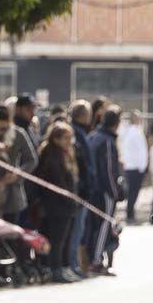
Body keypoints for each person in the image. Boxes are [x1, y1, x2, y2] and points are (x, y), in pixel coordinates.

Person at [33, 121, 81, 283]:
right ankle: (56, 269)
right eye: (66, 138)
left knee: (65, 238)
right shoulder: (52, 155)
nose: (69, 142)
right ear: (56, 138)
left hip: (66, 205)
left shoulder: (64, 153)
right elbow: (57, 182)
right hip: (57, 205)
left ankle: (64, 266)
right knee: (57, 239)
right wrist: (68, 197)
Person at [86, 107, 122, 276]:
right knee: (103, 225)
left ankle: (92, 258)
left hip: (92, 189)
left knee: (94, 225)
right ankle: (96, 261)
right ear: (116, 124)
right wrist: (115, 192)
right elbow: (108, 170)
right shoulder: (107, 141)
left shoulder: (93, 136)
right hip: (104, 191)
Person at [0, 104, 35, 222]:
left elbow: (31, 160)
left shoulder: (18, 134)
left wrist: (17, 174)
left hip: (12, 193)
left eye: (3, 129)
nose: (0, 132)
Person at [68, 100, 96, 278]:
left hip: (84, 189)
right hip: (80, 190)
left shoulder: (82, 133)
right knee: (75, 229)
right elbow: (82, 163)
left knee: (79, 229)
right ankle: (72, 263)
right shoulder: (76, 134)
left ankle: (74, 263)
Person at [119, 111, 149, 224]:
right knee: (133, 191)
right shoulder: (134, 131)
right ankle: (130, 214)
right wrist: (143, 166)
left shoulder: (131, 131)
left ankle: (130, 212)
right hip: (135, 166)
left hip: (132, 165)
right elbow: (141, 151)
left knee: (132, 191)